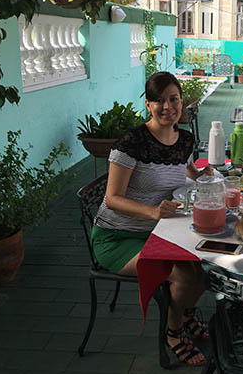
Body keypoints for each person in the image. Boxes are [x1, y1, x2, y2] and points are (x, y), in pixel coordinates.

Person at [91, 72, 212, 366]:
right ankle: (174, 331)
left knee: (205, 265)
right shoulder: (132, 141)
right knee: (184, 275)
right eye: (159, 100)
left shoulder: (184, 139)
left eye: (173, 99)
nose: (167, 106)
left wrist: (199, 177)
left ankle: (184, 311)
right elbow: (112, 198)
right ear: (148, 104)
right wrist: (153, 212)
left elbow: (182, 167)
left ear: (182, 102)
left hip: (159, 230)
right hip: (117, 237)